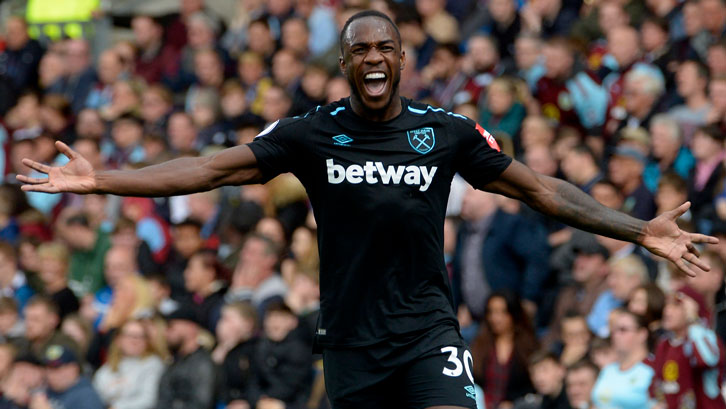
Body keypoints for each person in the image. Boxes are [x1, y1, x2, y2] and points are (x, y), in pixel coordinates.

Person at [17, 10, 718, 409]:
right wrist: (101, 180)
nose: (375, 58)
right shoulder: (309, 133)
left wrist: (640, 230)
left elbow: (541, 189)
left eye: (386, 47)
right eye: (361, 50)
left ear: (403, 57)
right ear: (347, 64)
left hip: (426, 331)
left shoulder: (444, 131)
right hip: (350, 341)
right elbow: (206, 166)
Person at [651, 286, 726, 409]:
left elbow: (707, 360)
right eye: (667, 305)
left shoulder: (707, 337)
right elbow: (659, 383)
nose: (667, 311)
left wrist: (693, 321)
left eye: (676, 305)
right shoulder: (664, 344)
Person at [93, 319, 166, 409]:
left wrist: (117, 407)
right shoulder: (105, 371)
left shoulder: (153, 364)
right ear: (118, 340)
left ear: (147, 342)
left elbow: (149, 399)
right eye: (129, 336)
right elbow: (95, 399)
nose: (134, 341)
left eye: (140, 336)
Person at [591, 309, 655, 409]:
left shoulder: (652, 369)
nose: (615, 335)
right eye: (613, 330)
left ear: (642, 334)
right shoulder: (608, 370)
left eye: (623, 330)